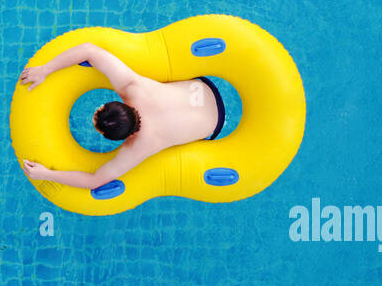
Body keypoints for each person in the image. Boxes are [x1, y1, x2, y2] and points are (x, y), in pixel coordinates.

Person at [18, 42, 226, 189]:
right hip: (205, 88)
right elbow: (89, 50)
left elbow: (94, 181)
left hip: (215, 125)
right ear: (114, 104)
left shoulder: (136, 148)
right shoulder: (132, 87)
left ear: (121, 138)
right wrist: (44, 70)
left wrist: (47, 174)